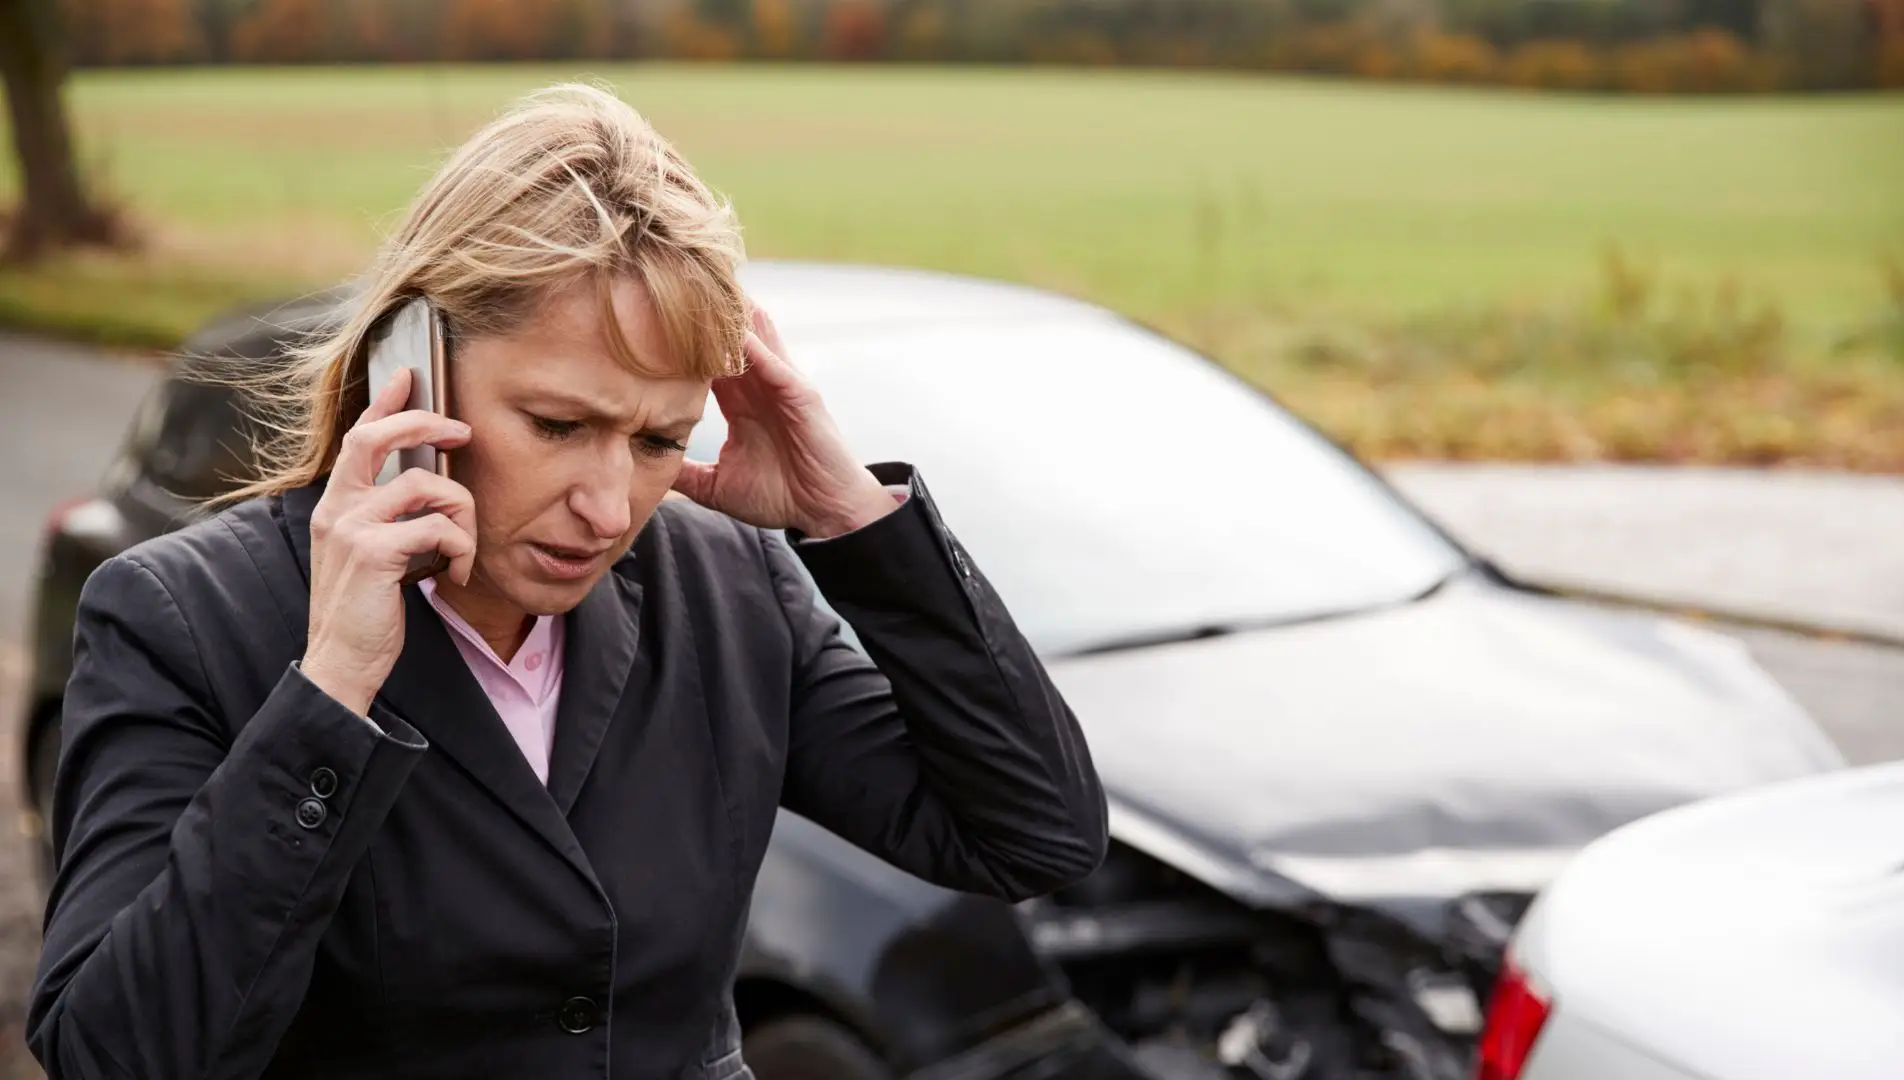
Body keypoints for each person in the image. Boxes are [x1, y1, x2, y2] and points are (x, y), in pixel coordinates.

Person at [28, 82, 1107, 1080]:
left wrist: (856, 524)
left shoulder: (730, 588)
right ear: (414, 363)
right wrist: (331, 692)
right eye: (558, 424)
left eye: (655, 441)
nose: (606, 507)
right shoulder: (181, 620)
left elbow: (1033, 833)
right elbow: (114, 1054)